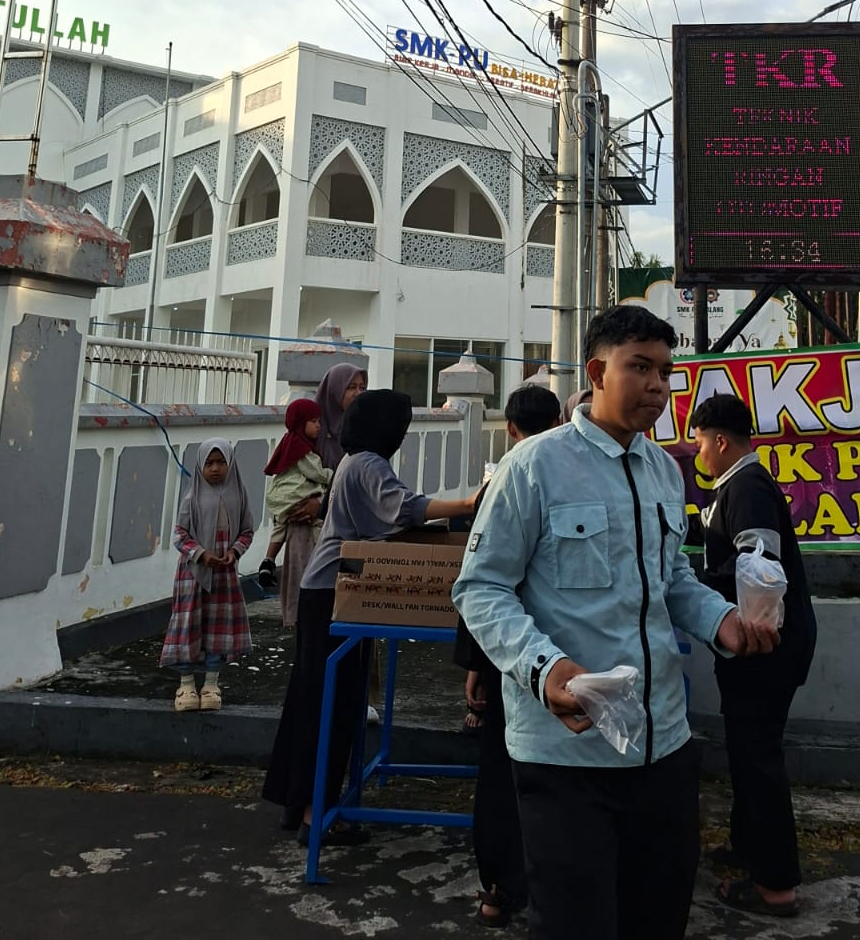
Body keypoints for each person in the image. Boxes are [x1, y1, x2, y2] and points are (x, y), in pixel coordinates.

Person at [453, 306, 776, 940]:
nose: (658, 385)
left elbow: (673, 580)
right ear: (598, 371)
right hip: (565, 752)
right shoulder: (533, 467)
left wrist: (723, 623)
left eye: (666, 371)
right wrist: (544, 668)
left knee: (657, 917)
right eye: (641, 368)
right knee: (576, 923)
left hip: (664, 747)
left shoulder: (663, 469)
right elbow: (481, 588)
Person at [262, 389, 476, 844]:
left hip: (326, 589)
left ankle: (301, 803)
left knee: (315, 698)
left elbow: (390, 517)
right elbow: (402, 508)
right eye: (400, 426)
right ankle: (314, 815)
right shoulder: (368, 464)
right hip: (331, 593)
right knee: (331, 704)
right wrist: (466, 505)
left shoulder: (354, 461)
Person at [690, 392, 817, 917]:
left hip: (764, 645)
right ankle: (747, 848)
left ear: (720, 441)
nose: (696, 451)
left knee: (757, 757)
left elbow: (760, 568)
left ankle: (775, 884)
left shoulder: (747, 486)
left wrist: (753, 627)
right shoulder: (736, 486)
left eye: (699, 442)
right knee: (747, 750)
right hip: (759, 645)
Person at [454, 383, 562, 927]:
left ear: (510, 428)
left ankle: (499, 887)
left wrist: (477, 662)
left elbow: (482, 584)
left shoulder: (505, 477)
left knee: (503, 772)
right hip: (569, 659)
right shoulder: (576, 472)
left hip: (513, 657)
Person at [161, 439, 254, 712]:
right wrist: (201, 554)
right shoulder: (192, 497)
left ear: (230, 464)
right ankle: (187, 684)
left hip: (224, 575)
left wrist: (235, 552)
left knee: (218, 627)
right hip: (194, 574)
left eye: (221, 463)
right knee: (189, 624)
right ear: (200, 466)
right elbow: (180, 534)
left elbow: (247, 531)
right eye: (209, 463)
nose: (215, 469)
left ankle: (211, 684)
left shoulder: (239, 494)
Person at [259, 398, 333, 626]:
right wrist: (335, 475)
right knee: (315, 526)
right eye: (313, 421)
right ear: (301, 423)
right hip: (297, 494)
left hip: (283, 497)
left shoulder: (290, 441)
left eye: (319, 421)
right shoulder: (303, 449)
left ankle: (268, 560)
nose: (318, 426)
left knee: (280, 525)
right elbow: (316, 473)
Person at [313, 361, 368, 471]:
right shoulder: (311, 426)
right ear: (334, 390)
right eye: (351, 387)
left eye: (362, 388)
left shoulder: (362, 429)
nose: (358, 393)